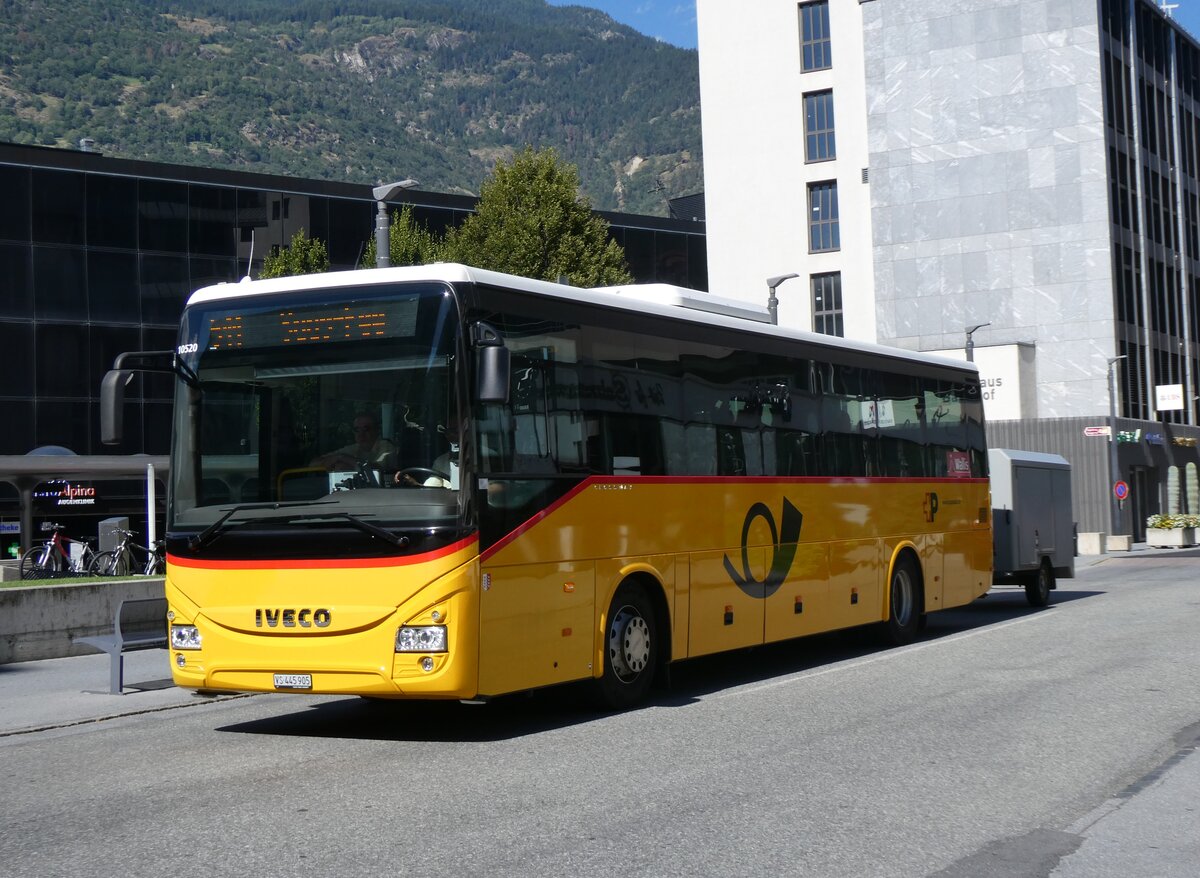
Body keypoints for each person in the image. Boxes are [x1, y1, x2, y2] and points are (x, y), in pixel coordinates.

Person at [312, 412, 398, 472]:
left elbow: (376, 470)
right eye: (357, 429)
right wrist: (340, 461)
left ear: (376, 430)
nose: (361, 434)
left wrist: (343, 459)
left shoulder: (387, 447)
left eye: (366, 429)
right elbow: (313, 464)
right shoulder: (355, 448)